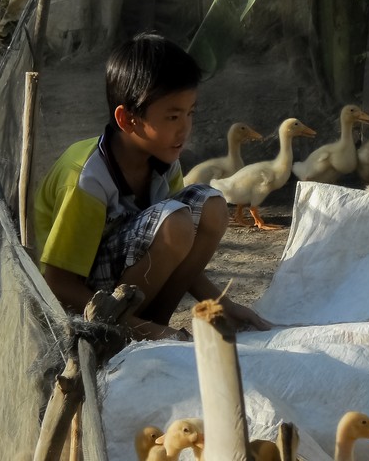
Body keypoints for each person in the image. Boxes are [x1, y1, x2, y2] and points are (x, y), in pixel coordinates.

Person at [34, 32, 271, 339]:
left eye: (190, 113)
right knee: (177, 222)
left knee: (212, 207)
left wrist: (222, 305)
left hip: (125, 291)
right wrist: (145, 331)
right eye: (172, 116)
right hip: (81, 305)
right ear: (127, 119)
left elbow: (179, 251)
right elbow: (58, 285)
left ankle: (154, 324)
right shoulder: (88, 179)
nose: (185, 128)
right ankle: (134, 333)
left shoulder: (164, 160)